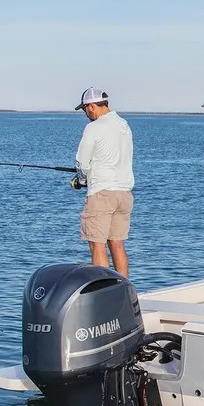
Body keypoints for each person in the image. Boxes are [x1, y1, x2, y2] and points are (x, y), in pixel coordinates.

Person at [73, 87, 135, 277]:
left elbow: (82, 162)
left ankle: (103, 293)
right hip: (124, 193)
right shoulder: (124, 125)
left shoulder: (94, 127)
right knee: (117, 243)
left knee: (96, 243)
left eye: (85, 109)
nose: (86, 114)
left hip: (102, 192)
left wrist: (81, 180)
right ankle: (124, 290)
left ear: (92, 106)